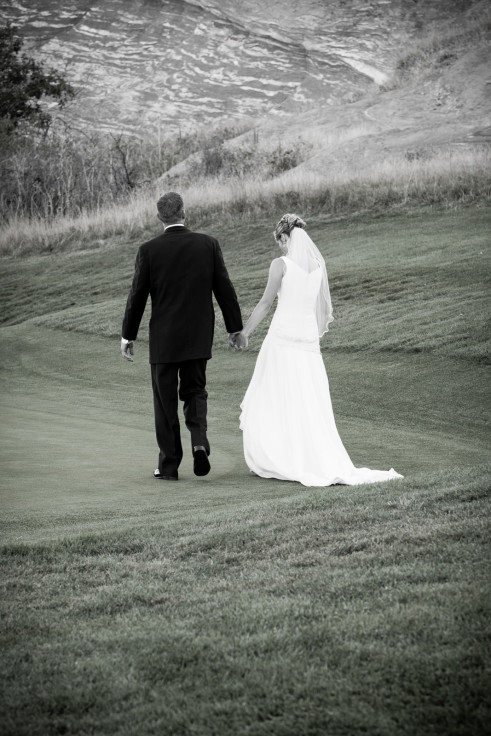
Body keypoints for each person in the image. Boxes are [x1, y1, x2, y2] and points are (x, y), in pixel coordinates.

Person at [233, 213, 403, 487]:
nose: (281, 247)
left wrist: (244, 333)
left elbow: (266, 303)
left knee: (274, 396)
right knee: (306, 398)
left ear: (284, 237)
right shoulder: (317, 266)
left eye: (280, 241)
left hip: (281, 339)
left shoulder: (281, 264)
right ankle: (299, 455)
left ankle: (279, 457)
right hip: (307, 342)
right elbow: (316, 307)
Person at [121, 191, 244, 481]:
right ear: (184, 212)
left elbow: (136, 297)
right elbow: (224, 289)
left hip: (164, 340)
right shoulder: (207, 244)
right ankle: (199, 441)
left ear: (159, 217)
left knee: (165, 404)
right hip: (198, 336)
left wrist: (128, 336)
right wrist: (234, 328)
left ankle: (169, 466)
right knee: (195, 391)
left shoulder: (148, 250)